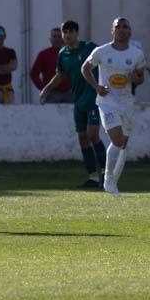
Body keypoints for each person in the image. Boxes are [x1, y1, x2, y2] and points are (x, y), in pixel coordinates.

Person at [82, 17, 146, 198]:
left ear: (130, 31)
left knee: (123, 144)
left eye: (126, 27)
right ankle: (108, 179)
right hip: (107, 103)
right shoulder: (101, 51)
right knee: (117, 140)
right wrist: (97, 87)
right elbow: (85, 68)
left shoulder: (136, 54)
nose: (122, 30)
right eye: (118, 27)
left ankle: (113, 182)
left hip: (126, 103)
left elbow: (140, 77)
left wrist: (137, 79)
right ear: (112, 30)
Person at [41, 20, 106, 188]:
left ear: (77, 33)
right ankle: (93, 177)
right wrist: (46, 89)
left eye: (71, 32)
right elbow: (60, 74)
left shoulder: (90, 48)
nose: (67, 35)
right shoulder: (63, 53)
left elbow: (107, 59)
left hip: (93, 98)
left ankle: (107, 174)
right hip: (78, 100)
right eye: (65, 33)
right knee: (83, 139)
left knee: (93, 135)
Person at [31, 27, 74, 104]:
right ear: (50, 39)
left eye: (59, 36)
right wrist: (43, 88)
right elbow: (34, 74)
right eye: (54, 36)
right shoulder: (43, 55)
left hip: (69, 94)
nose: (57, 39)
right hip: (52, 94)